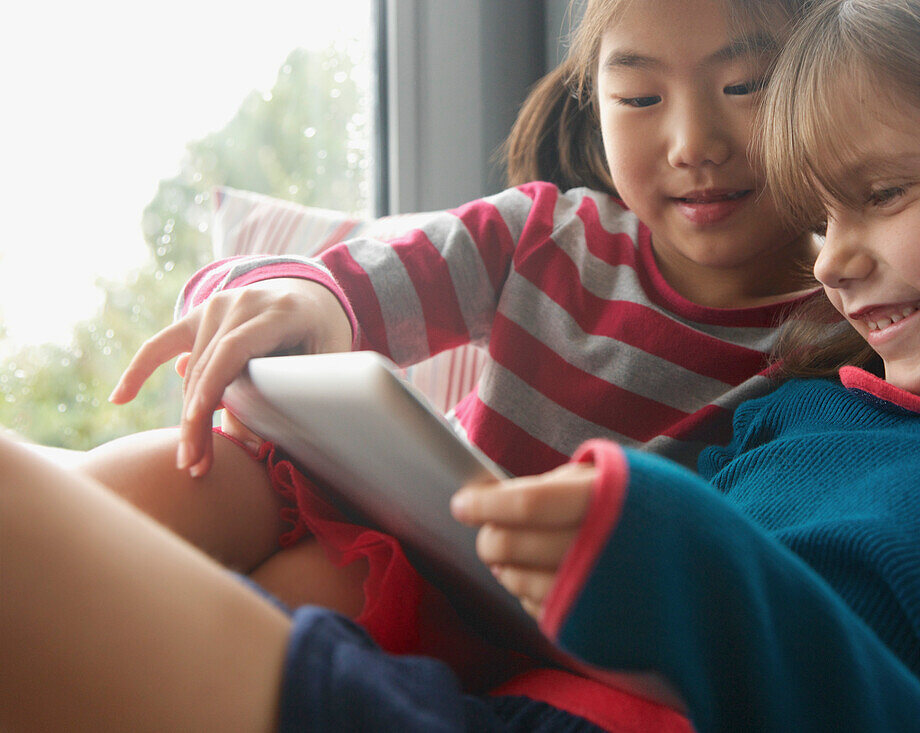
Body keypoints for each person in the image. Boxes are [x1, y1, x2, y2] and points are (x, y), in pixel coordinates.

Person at [18, 0, 814, 730]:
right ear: (593, 101)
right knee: (178, 472)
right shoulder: (546, 230)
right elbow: (351, 282)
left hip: (509, 621)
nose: (693, 143)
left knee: (300, 596)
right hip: (399, 512)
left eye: (745, 86)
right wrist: (306, 300)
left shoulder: (833, 339)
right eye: (639, 99)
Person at [449, 0, 920, 729]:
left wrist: (717, 586)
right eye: (819, 219)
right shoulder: (801, 405)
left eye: (882, 194)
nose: (829, 263)